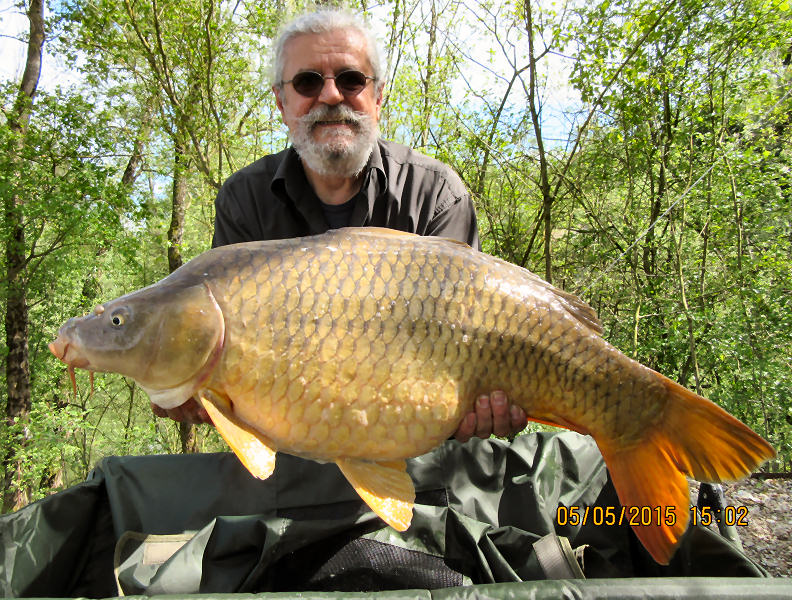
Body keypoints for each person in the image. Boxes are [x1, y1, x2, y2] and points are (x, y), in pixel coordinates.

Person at [152, 8, 528, 442]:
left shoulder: (436, 194)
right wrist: (198, 388)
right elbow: (228, 375)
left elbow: (469, 347)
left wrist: (483, 407)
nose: (331, 96)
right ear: (281, 102)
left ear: (378, 95)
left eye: (351, 79)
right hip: (291, 461)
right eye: (308, 81)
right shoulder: (244, 200)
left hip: (421, 453)